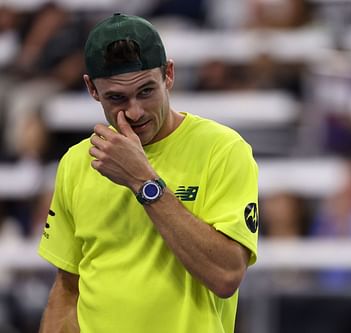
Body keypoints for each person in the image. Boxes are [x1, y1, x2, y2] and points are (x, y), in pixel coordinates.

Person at [37, 13, 259, 333]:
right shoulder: (76, 161)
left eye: (146, 91)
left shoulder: (223, 150)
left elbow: (225, 276)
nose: (135, 111)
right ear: (92, 90)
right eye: (117, 97)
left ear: (168, 74)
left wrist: (143, 181)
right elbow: (67, 286)